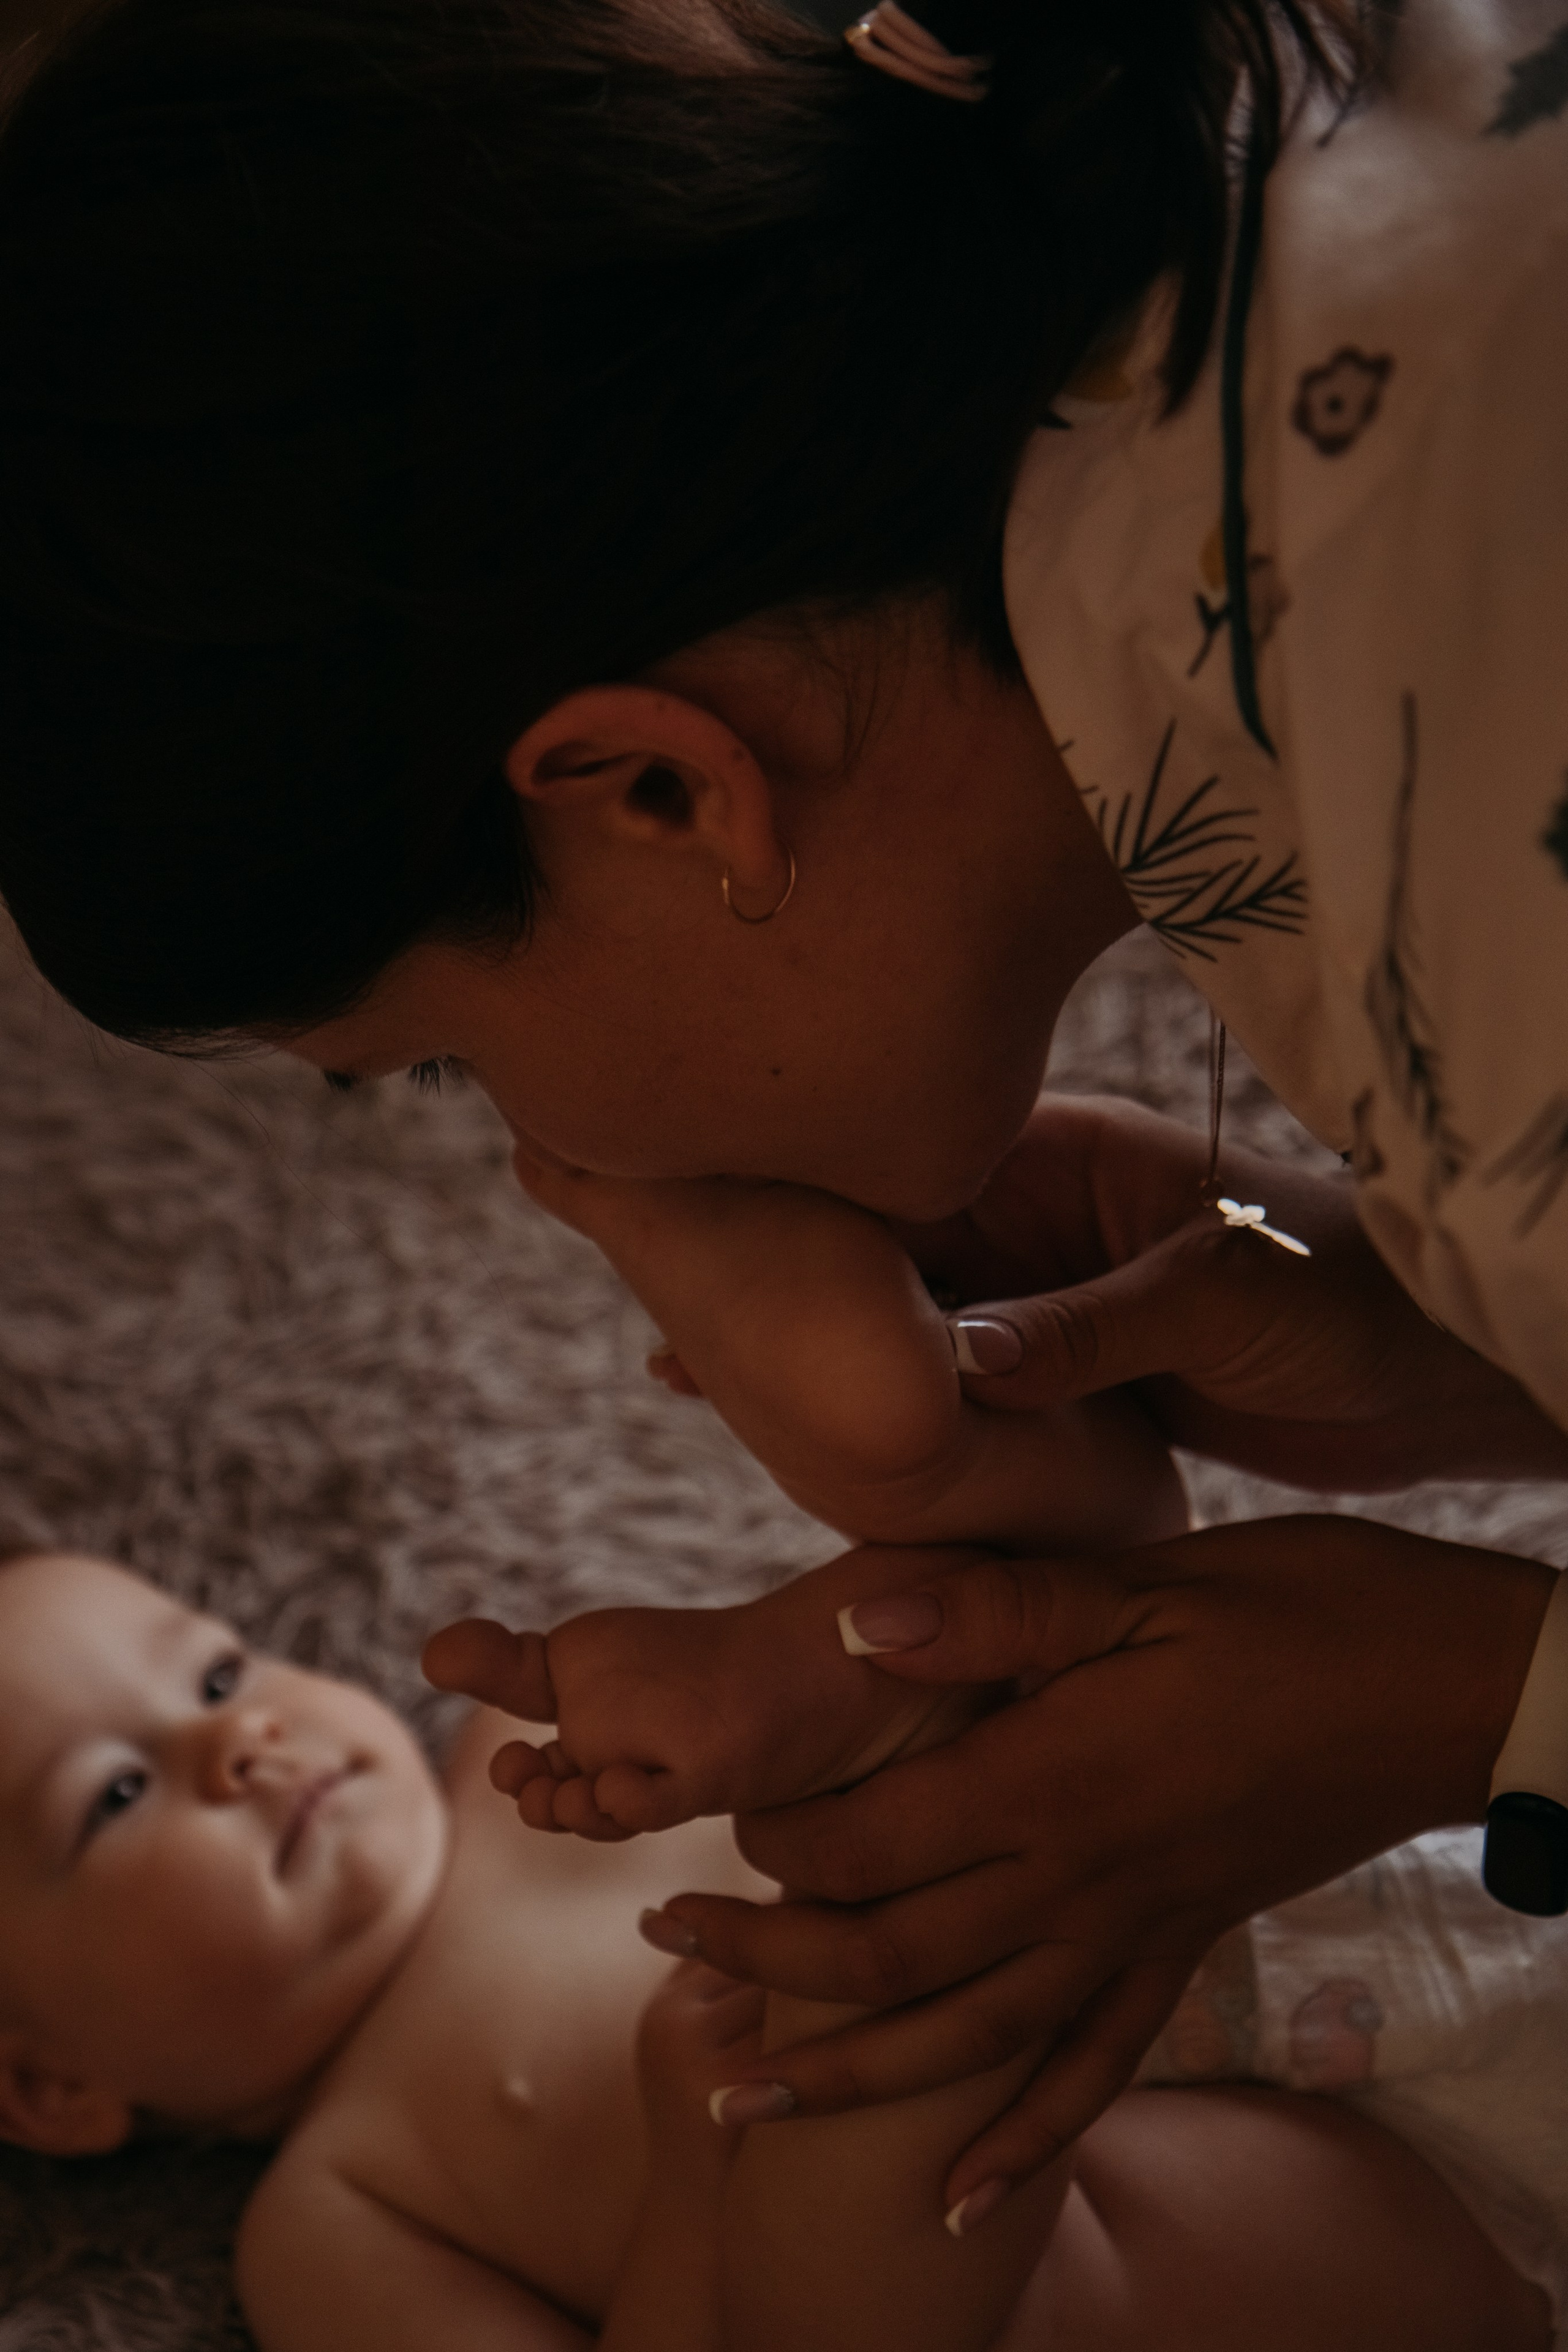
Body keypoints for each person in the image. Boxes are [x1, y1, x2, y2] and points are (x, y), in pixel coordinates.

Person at [0, 0, 1566, 2213]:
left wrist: (1458, 1698)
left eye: (451, 1061)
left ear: (658, 792)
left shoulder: (1479, 873)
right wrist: (1441, 1334)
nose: (553, 1163)